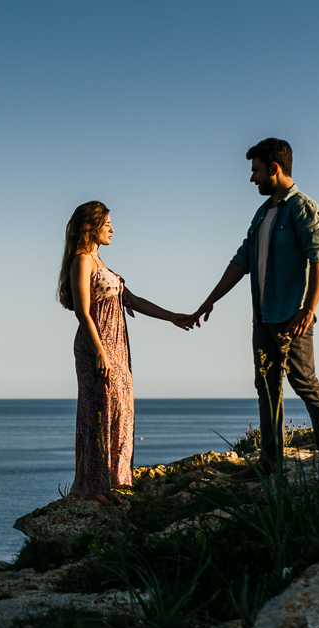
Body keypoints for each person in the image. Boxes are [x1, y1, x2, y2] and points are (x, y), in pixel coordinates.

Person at [189, 137, 319, 467]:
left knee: (303, 381)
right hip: (263, 316)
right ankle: (271, 460)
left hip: (291, 315)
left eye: (256, 170)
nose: (252, 178)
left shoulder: (302, 207)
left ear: (274, 168)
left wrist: (308, 310)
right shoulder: (263, 213)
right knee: (267, 387)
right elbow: (241, 261)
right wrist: (209, 301)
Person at [58, 201, 192, 505]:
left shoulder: (102, 263)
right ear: (91, 226)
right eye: (107, 224)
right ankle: (85, 486)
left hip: (117, 347)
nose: (112, 229)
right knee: (97, 412)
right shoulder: (82, 261)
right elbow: (82, 312)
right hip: (97, 346)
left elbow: (134, 301)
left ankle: (107, 483)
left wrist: (172, 316)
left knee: (118, 411)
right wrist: (100, 353)